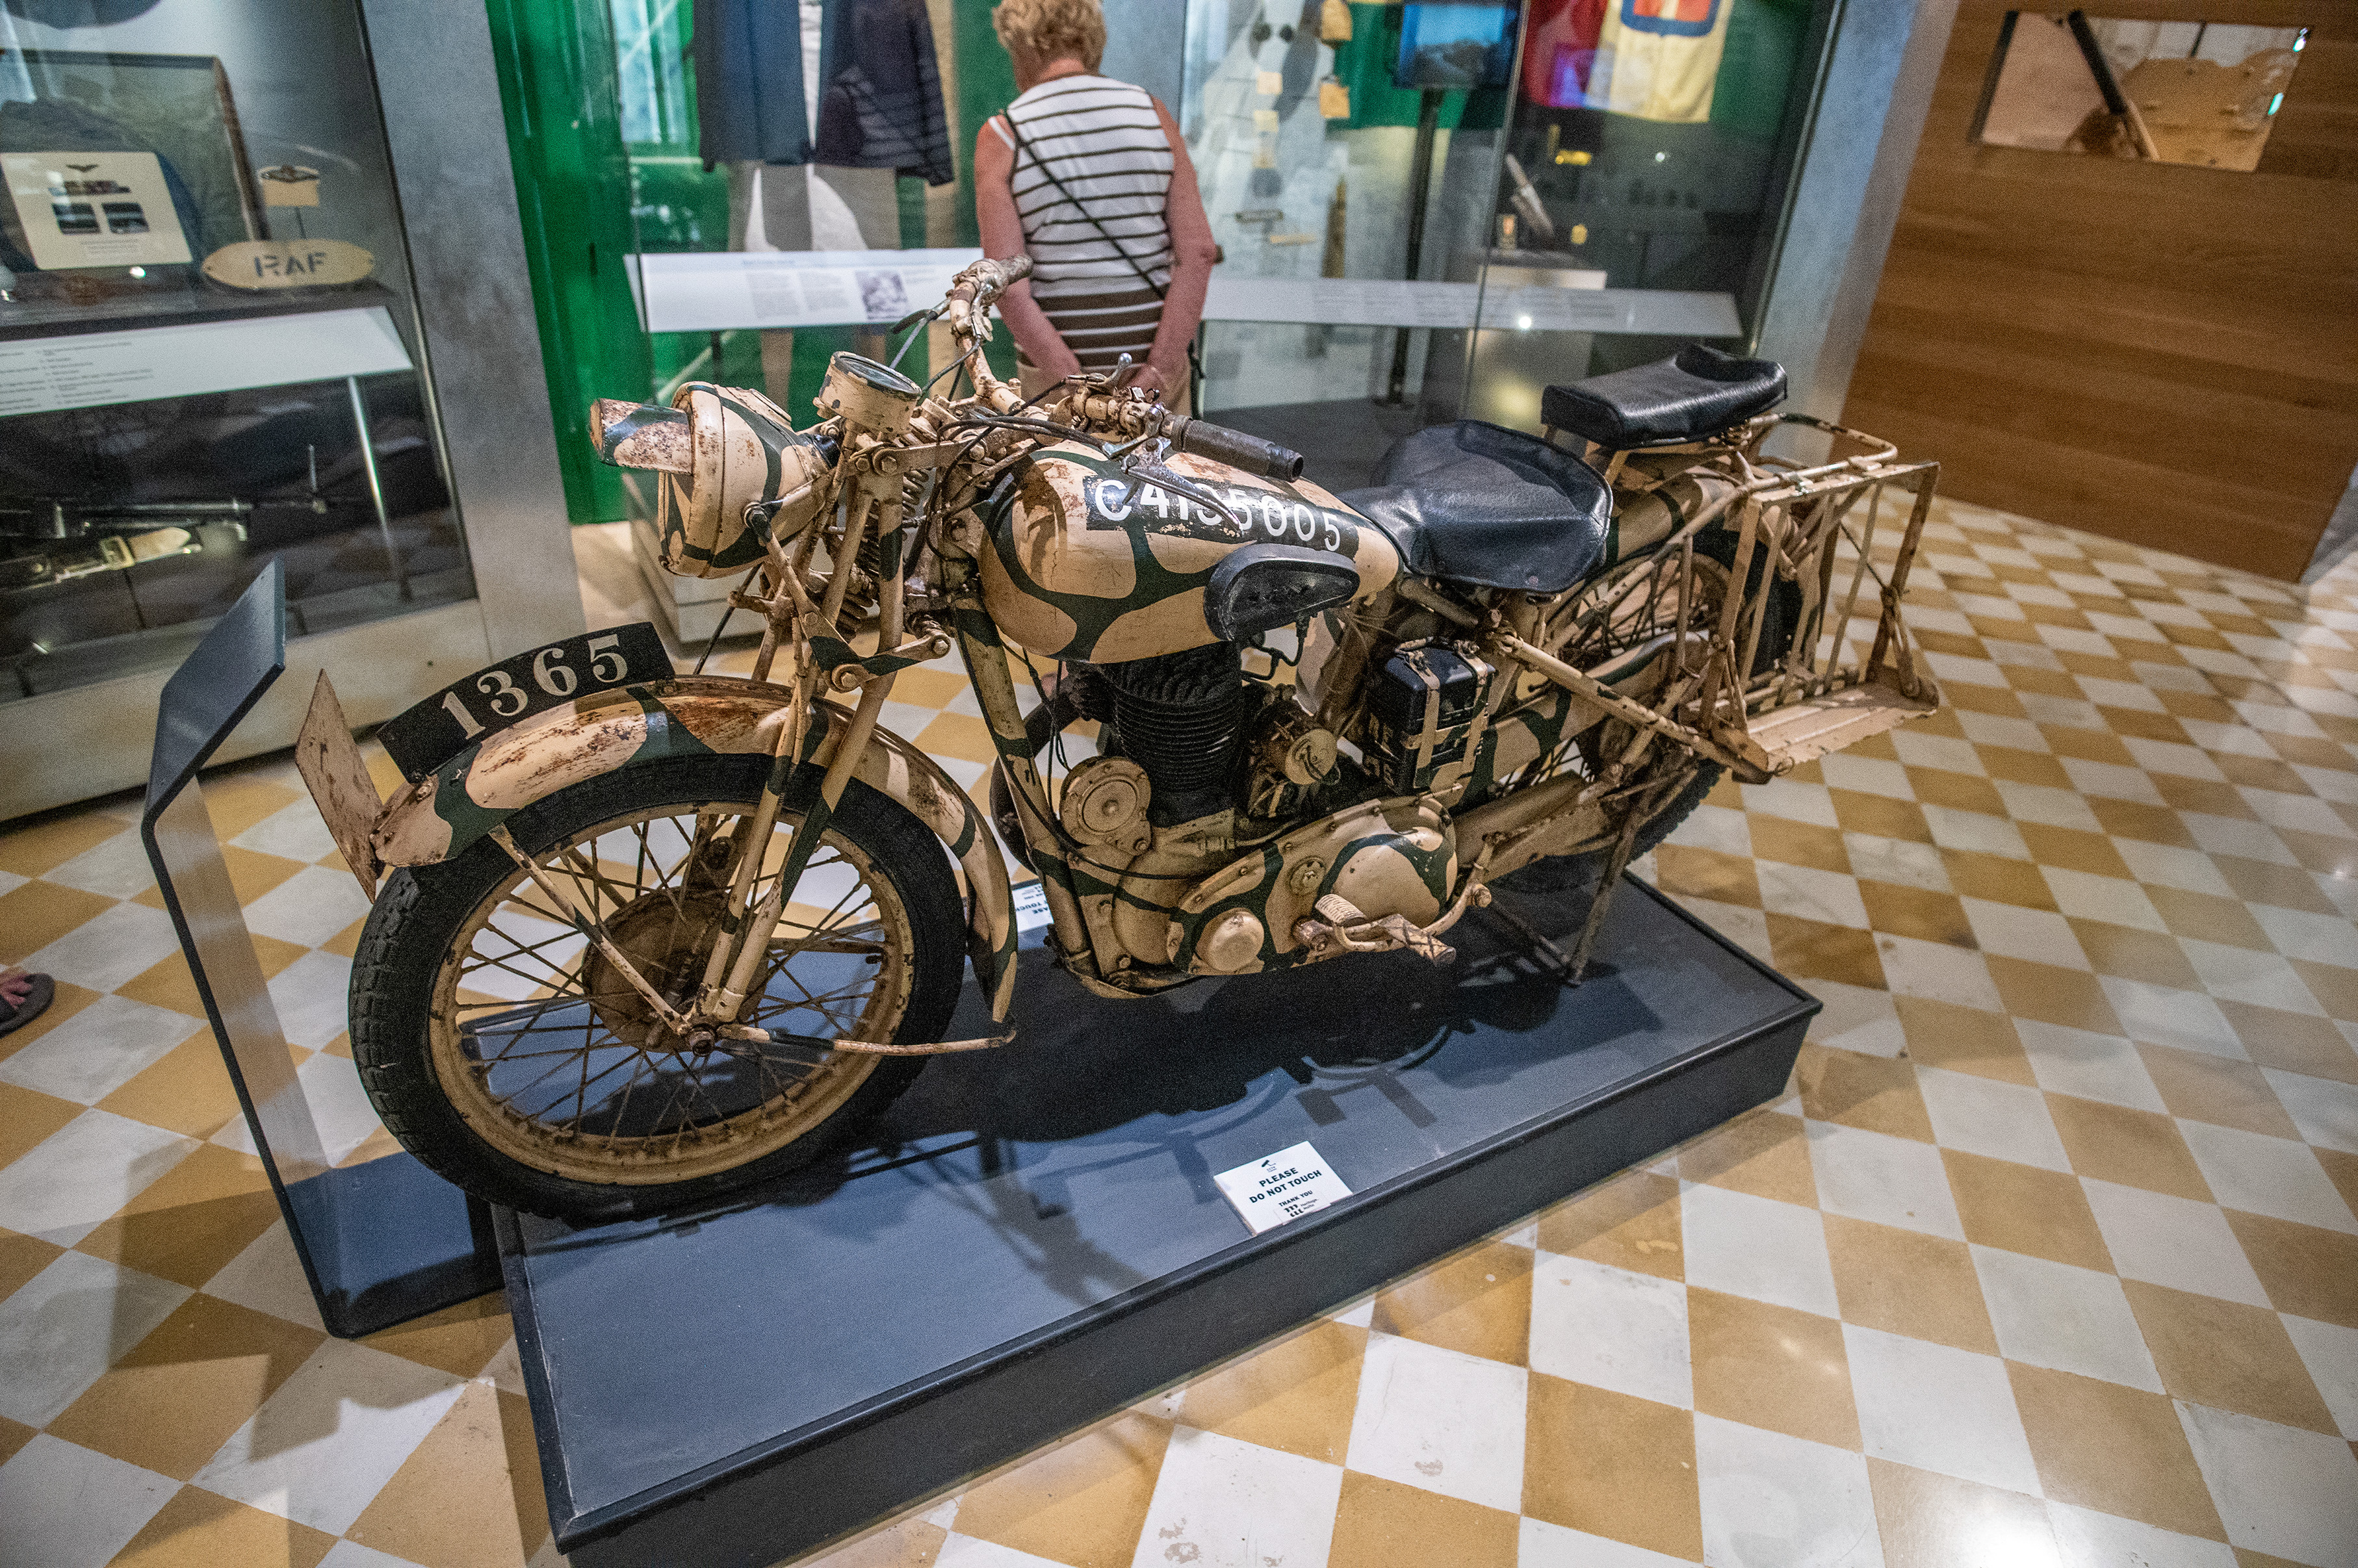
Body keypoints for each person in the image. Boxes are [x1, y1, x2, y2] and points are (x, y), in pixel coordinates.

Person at [974, 0, 1218, 410]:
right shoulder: (1153, 114)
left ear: (1022, 46)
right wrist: (1158, 371)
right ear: (1092, 40)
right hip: (1156, 378)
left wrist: (1072, 383)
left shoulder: (1003, 135)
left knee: (1061, 475)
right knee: (1165, 474)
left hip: (1057, 387)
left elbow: (1008, 285)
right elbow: (1199, 252)